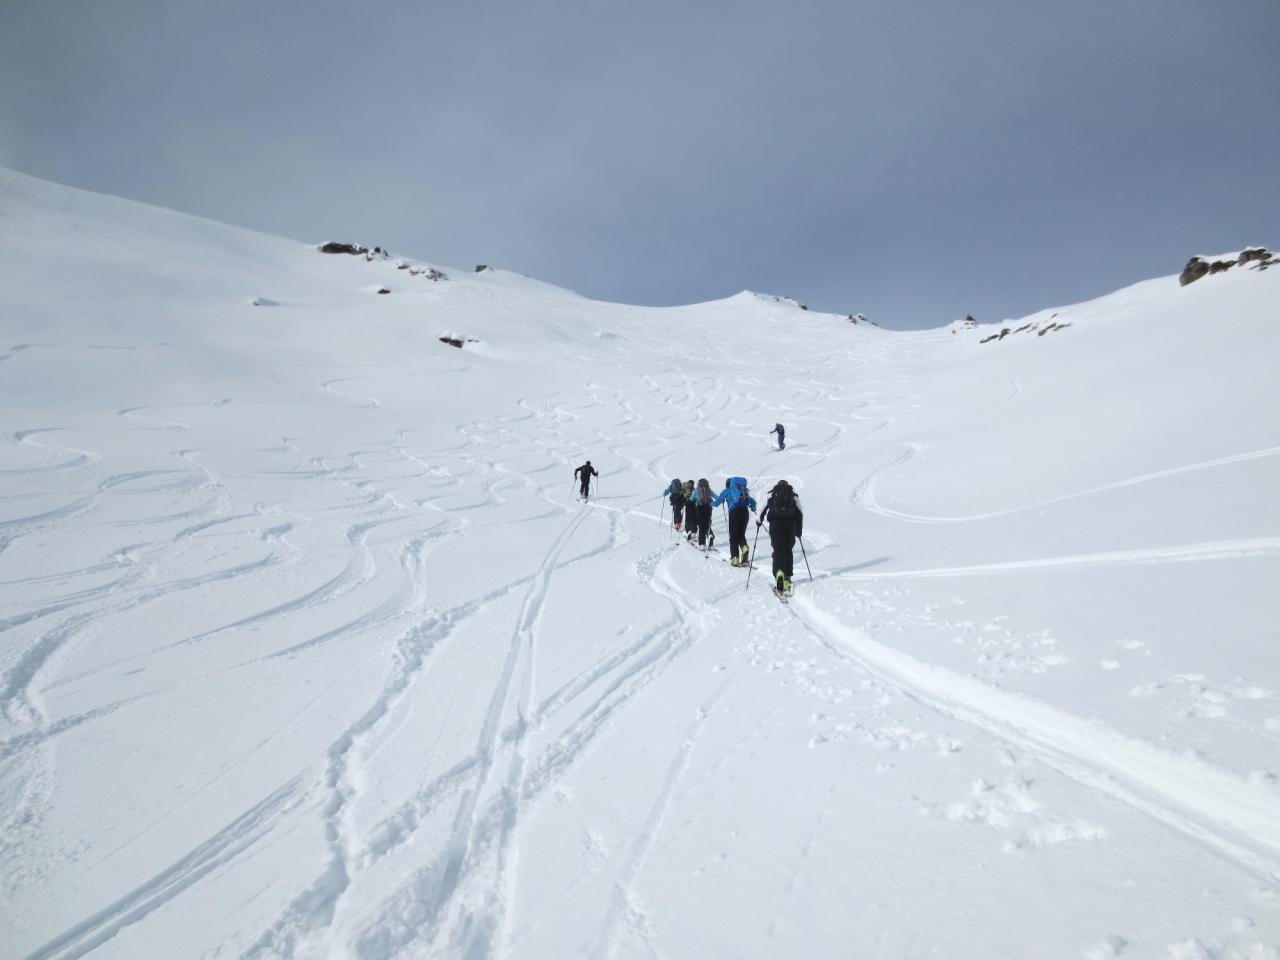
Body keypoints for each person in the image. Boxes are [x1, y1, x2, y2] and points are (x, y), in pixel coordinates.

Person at [758, 479, 803, 594]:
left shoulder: (771, 494)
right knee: (788, 550)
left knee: (778, 550)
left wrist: (759, 521)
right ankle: (787, 578)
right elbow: (800, 513)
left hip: (776, 524)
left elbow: (762, 509)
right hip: (790, 525)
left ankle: (779, 574)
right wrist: (799, 531)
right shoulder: (793, 496)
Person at [711, 476, 757, 566]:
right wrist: (753, 507)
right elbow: (753, 502)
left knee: (733, 537)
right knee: (741, 535)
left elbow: (716, 503)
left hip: (734, 513)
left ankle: (735, 559)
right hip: (745, 513)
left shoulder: (727, 491)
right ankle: (744, 548)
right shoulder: (744, 491)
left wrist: (709, 503)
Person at [691, 478, 716, 548]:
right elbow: (717, 497)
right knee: (707, 523)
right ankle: (710, 534)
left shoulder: (697, 490)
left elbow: (691, 499)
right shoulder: (709, 490)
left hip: (699, 508)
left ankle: (702, 544)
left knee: (701, 525)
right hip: (708, 508)